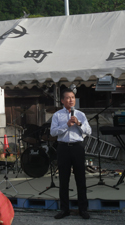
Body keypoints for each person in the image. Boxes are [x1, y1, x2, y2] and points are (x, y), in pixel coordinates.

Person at [50, 88, 92, 220]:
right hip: (63, 148)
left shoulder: (81, 114)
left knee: (81, 179)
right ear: (62, 101)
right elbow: (52, 133)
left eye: (73, 97)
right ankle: (64, 209)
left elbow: (89, 131)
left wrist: (79, 124)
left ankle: (83, 209)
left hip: (77, 147)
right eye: (68, 98)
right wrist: (66, 125)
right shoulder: (57, 115)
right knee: (64, 179)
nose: (71, 100)